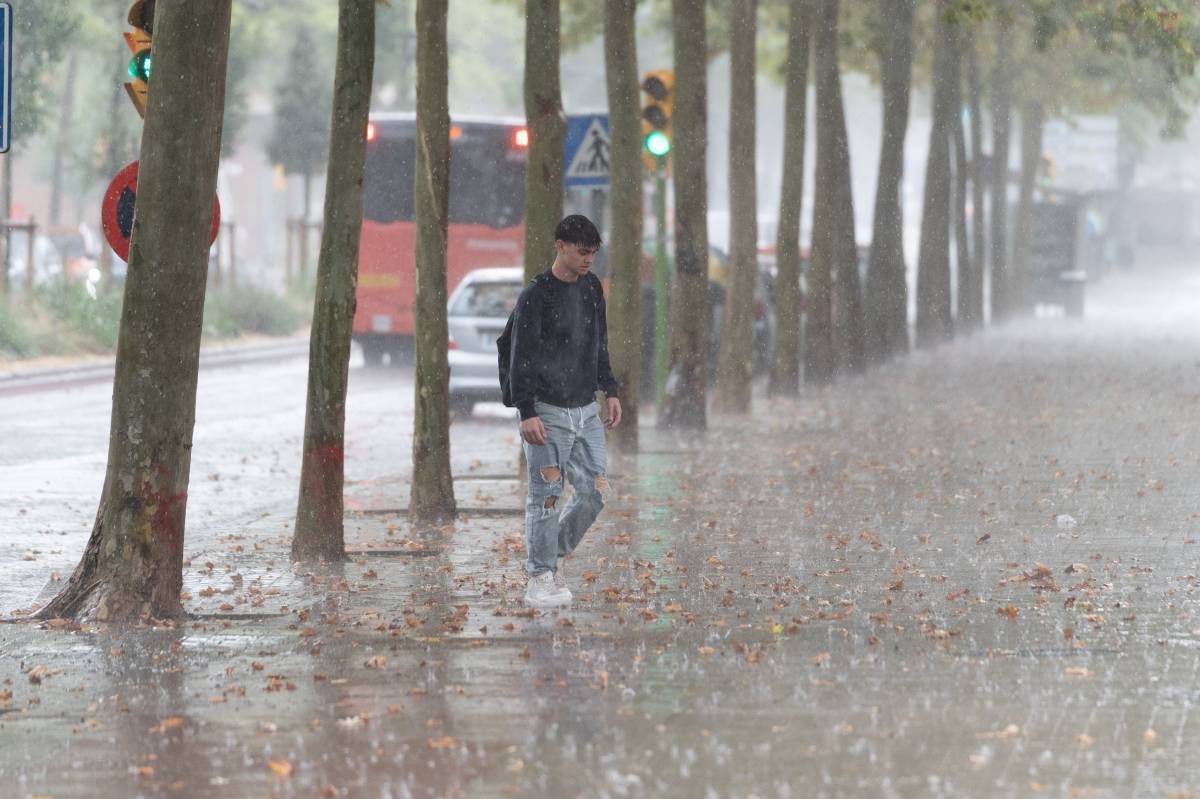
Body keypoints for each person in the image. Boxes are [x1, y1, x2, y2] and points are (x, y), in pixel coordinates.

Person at [508, 215, 621, 608]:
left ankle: (549, 556)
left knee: (596, 491)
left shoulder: (591, 288)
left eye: (593, 252)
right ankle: (539, 577)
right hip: (546, 410)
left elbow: (598, 342)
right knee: (547, 495)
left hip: (586, 408)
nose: (588, 259)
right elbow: (519, 355)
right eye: (581, 251)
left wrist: (610, 389)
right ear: (560, 246)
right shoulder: (536, 296)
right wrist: (526, 410)